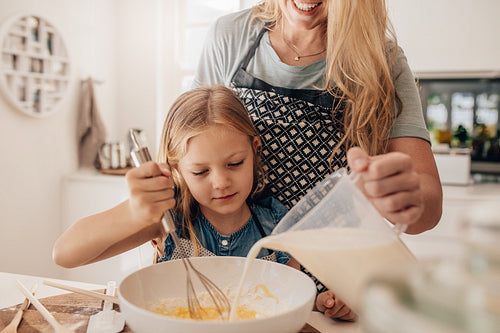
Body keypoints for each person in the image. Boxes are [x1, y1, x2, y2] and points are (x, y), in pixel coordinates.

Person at [191, 0, 442, 321]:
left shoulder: (382, 60)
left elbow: (429, 208)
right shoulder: (231, 36)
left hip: (337, 292)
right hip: (241, 274)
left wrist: (402, 198)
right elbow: (190, 147)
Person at [53, 85, 295, 272]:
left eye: (234, 164)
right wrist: (133, 214)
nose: (221, 182)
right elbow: (64, 254)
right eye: (201, 172)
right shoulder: (168, 220)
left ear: (254, 150)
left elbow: (294, 294)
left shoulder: (278, 224)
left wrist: (326, 301)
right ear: (176, 169)